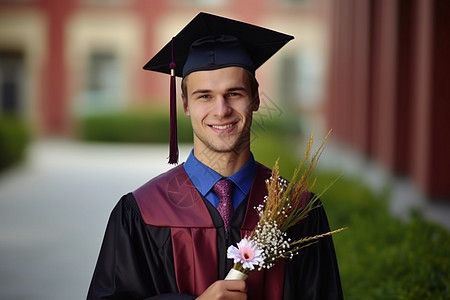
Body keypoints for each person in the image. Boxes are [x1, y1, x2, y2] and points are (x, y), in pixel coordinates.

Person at [87, 12, 343, 300]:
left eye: (234, 94)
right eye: (204, 96)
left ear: (256, 98)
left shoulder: (298, 209)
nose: (221, 110)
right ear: (185, 103)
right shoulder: (142, 210)